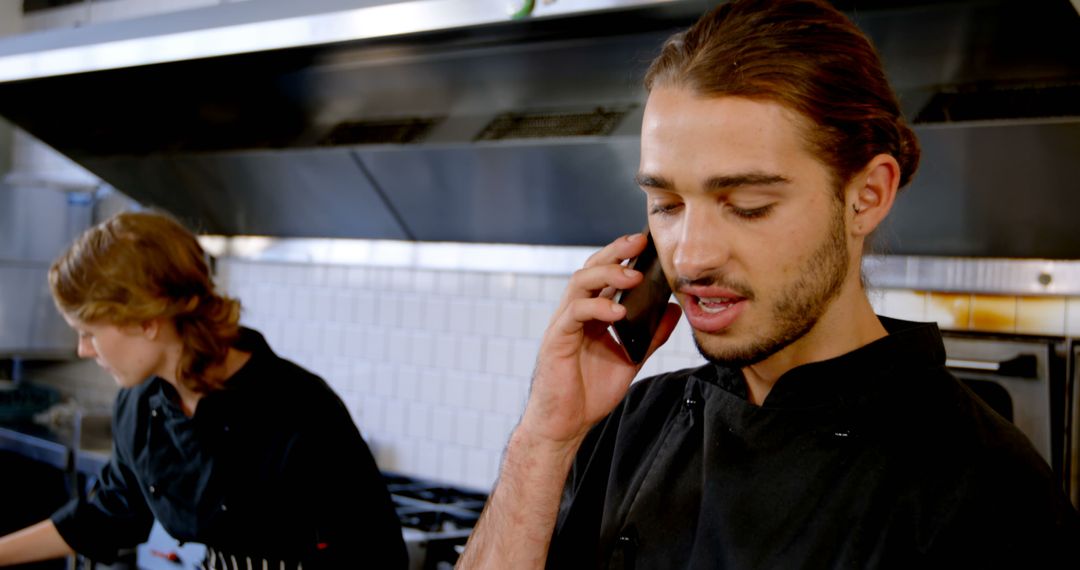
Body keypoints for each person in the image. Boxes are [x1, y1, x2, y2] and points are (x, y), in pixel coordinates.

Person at [456, 0, 1080, 568]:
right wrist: (545, 436)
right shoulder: (636, 423)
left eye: (748, 204)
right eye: (667, 204)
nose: (691, 257)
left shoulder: (985, 490)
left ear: (866, 196)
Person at [0, 211, 408, 569]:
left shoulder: (298, 409)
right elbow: (109, 512)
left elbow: (376, 556)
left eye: (89, 332)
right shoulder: (140, 404)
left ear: (146, 320)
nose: (83, 349)